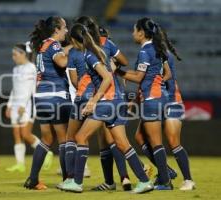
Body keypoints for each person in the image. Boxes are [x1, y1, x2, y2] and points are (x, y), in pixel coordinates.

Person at [61, 23, 153, 194]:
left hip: (107, 102)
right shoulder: (100, 50)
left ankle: (77, 183)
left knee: (80, 136)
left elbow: (106, 78)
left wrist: (93, 101)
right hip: (118, 101)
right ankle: (144, 180)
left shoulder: (89, 55)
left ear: (74, 40)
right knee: (122, 143)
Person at [76, 16, 132, 191]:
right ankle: (124, 179)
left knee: (107, 140)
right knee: (114, 139)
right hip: (117, 94)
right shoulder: (107, 42)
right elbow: (124, 62)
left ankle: (118, 179)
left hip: (105, 96)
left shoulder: (87, 49)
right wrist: (115, 67)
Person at [134, 30, 195, 190]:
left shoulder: (160, 53)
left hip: (170, 99)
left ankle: (185, 179)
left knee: (173, 142)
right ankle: (166, 172)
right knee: (140, 137)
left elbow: (165, 78)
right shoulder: (158, 52)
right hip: (164, 98)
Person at [117, 17, 173, 190]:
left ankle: (165, 180)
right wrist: (155, 84)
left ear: (141, 33)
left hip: (152, 99)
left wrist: (118, 72)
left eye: (134, 30)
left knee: (156, 142)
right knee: (140, 137)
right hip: (158, 96)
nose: (133, 33)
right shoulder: (156, 48)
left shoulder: (144, 51)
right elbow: (167, 74)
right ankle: (166, 172)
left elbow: (139, 77)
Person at [23, 16, 72, 190]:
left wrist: (69, 47)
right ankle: (68, 180)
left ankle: (33, 179)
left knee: (46, 139)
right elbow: (61, 61)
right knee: (64, 139)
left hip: (41, 97)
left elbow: (56, 54)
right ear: (56, 29)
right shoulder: (54, 45)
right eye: (64, 27)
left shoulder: (43, 45)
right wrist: (74, 54)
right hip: (56, 96)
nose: (67, 30)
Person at [5, 42, 53, 173]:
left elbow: (29, 89)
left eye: (15, 54)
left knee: (25, 134)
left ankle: (47, 153)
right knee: (17, 134)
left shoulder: (31, 68)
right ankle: (20, 164)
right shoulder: (15, 69)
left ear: (23, 54)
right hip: (15, 105)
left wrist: (22, 105)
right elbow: (15, 89)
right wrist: (9, 105)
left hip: (27, 105)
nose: (13, 57)